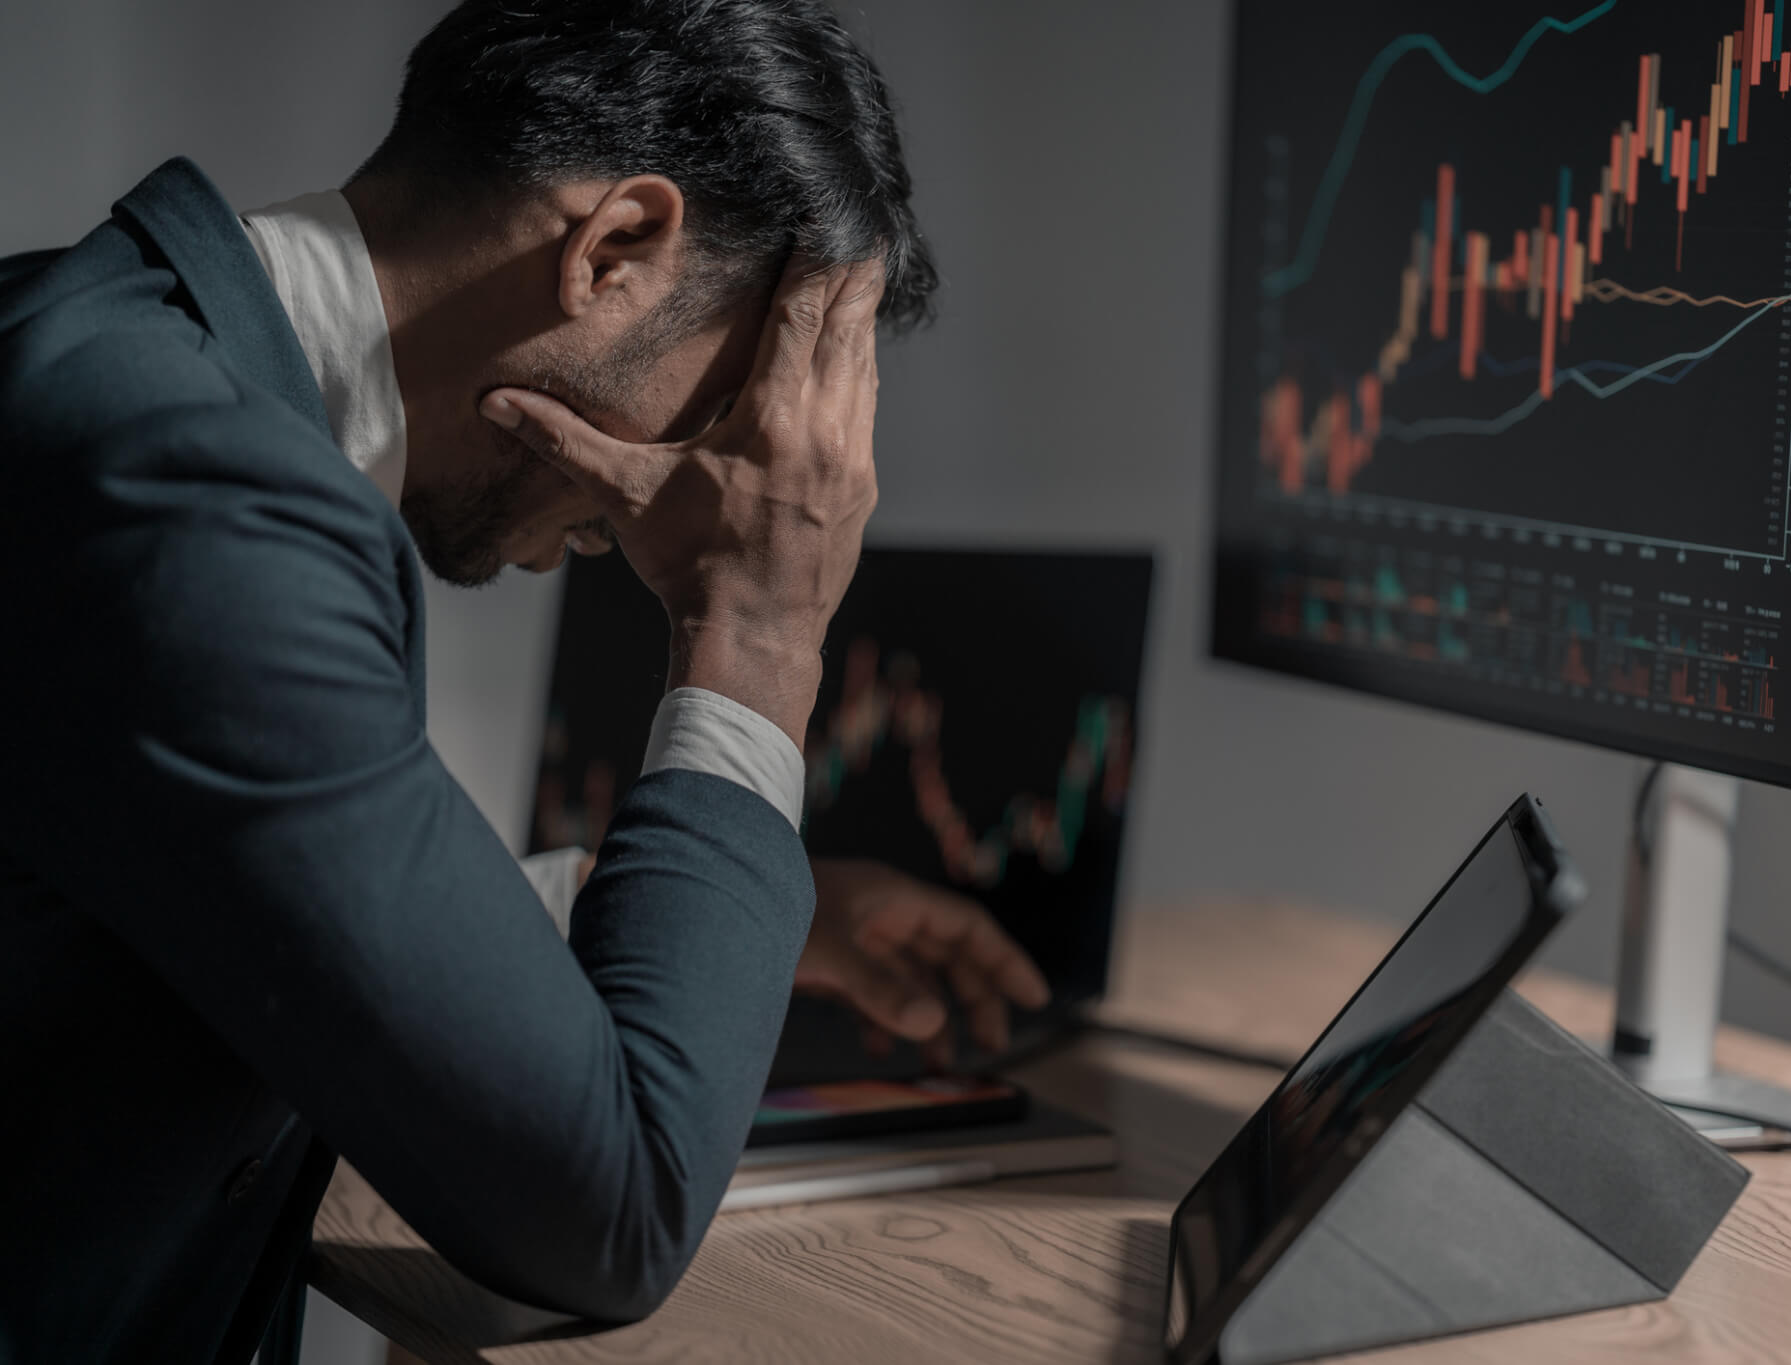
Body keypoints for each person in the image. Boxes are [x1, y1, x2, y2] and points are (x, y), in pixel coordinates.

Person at [0, 2, 1052, 1361]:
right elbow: (609, 1209)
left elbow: (195, 891)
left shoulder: (102, 349)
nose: (668, 515)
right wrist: (761, 629)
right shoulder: (198, 510)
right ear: (615, 249)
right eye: (729, 416)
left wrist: (635, 914)